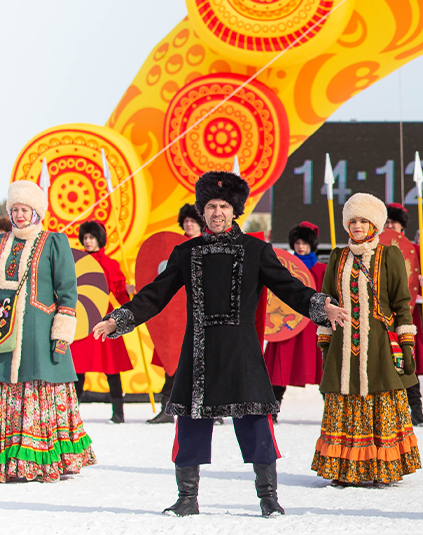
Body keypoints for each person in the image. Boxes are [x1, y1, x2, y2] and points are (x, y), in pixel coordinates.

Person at [93, 171, 348, 517]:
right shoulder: (186, 252)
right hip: (199, 351)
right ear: (202, 210)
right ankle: (187, 498)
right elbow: (155, 295)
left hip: (241, 351)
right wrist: (118, 319)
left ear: (235, 210)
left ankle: (269, 497)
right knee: (190, 424)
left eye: (224, 206)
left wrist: (321, 306)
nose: (217, 212)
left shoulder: (256, 250)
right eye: (210, 206)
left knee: (257, 423)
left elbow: (290, 288)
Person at [312, 193, 421, 486]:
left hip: (380, 348)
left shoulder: (389, 255)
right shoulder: (337, 256)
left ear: (374, 224)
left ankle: (383, 468)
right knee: (345, 402)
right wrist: (325, 344)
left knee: (380, 401)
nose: (357, 226)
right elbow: (327, 301)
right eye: (353, 221)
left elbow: (401, 303)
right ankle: (343, 470)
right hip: (343, 346)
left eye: (363, 220)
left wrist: (407, 343)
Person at [0, 181, 95, 482]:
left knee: (41, 388)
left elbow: (68, 292)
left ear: (36, 212)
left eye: (24, 209)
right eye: (14, 209)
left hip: (40, 333)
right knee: (9, 388)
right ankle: (11, 462)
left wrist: (61, 333)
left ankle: (43, 461)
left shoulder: (54, 242)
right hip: (7, 333)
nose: (19, 215)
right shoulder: (2, 244)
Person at [147, 204, 207, 426]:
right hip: (174, 317)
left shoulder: (208, 245)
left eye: (193, 220)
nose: (189, 224)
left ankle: (213, 410)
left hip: (200, 316)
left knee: (205, 366)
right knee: (172, 364)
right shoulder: (173, 247)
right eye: (186, 221)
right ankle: (167, 409)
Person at [72, 220, 134, 423]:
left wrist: (128, 292)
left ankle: (118, 413)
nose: (88, 241)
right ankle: (71, 413)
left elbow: (119, 292)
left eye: (91, 237)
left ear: (99, 239)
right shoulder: (76, 262)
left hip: (104, 319)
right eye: (85, 238)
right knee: (77, 368)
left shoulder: (109, 264)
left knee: (111, 367)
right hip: (82, 318)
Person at [263, 221, 327, 418]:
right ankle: (271, 411)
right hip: (287, 324)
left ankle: (333, 414)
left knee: (324, 373)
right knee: (279, 371)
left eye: (304, 243)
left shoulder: (322, 270)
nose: (300, 246)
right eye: (297, 243)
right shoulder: (283, 268)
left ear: (312, 245)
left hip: (313, 327)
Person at [385, 202, 423, 426]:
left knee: (408, 361)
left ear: (402, 225)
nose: (390, 225)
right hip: (381, 316)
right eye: (387, 221)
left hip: (407, 314)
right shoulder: (374, 246)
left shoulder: (415, 250)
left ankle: (416, 410)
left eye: (394, 221)